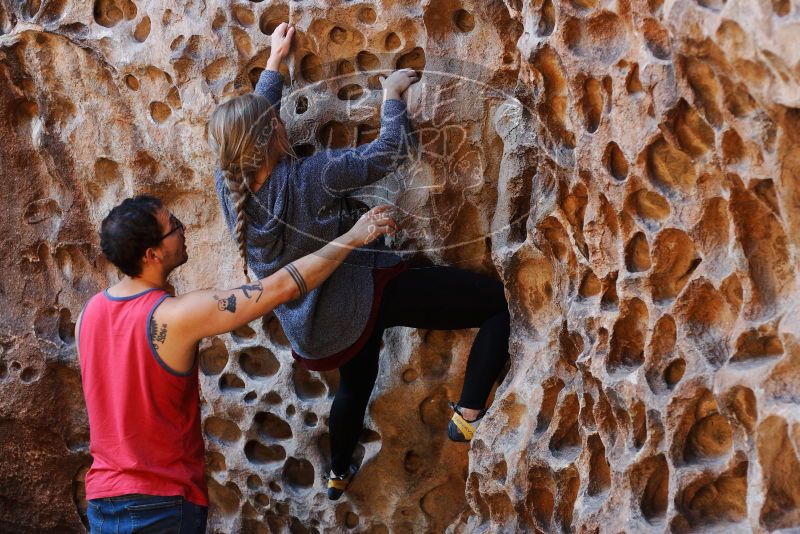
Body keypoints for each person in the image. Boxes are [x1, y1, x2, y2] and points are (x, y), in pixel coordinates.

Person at [208, 22, 511, 500]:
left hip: (319, 328)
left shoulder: (231, 188)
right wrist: (391, 95)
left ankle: (337, 472)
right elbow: (390, 152)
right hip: (366, 296)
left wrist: (274, 60)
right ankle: (468, 414)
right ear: (273, 134)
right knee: (495, 304)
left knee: (354, 386)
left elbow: (253, 123)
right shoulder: (314, 174)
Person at [75, 195, 397, 532]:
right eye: (173, 227)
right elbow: (282, 287)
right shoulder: (174, 316)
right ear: (151, 254)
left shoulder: (89, 314)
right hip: (160, 502)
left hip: (104, 498)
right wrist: (354, 236)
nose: (183, 230)